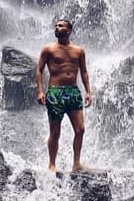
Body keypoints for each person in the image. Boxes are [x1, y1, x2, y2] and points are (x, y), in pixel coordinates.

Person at [36, 19, 92, 173]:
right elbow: (39, 70)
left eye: (60, 26)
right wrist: (40, 91)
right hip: (55, 93)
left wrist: (88, 91)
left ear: (69, 31)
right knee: (55, 132)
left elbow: (84, 71)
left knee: (80, 129)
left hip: (73, 92)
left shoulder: (79, 51)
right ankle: (52, 165)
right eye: (56, 25)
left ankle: (76, 163)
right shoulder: (48, 49)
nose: (57, 27)